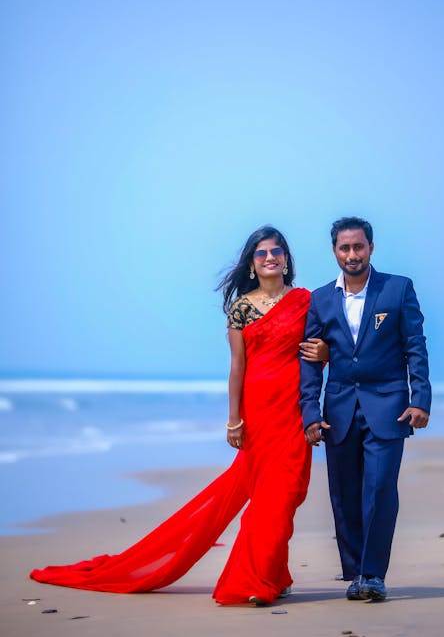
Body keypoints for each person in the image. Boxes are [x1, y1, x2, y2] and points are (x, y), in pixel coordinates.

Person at [30, 225, 327, 606]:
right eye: (261, 253)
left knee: (285, 496)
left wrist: (327, 355)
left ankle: (273, 573)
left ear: (287, 259)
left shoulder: (308, 301)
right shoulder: (241, 308)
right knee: (268, 500)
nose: (270, 258)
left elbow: (323, 349)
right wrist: (234, 420)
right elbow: (237, 366)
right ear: (252, 264)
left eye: (277, 251)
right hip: (258, 413)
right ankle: (255, 580)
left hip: (293, 412)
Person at [299, 216, 431, 602]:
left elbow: (415, 347)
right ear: (334, 251)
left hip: (388, 405)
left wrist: (419, 398)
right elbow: (309, 359)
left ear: (371, 247)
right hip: (338, 408)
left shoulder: (397, 289)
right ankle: (355, 572)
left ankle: (373, 575)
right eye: (345, 247)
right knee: (344, 494)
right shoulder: (320, 299)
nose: (352, 254)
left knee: (379, 489)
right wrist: (309, 413)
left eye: (359, 246)